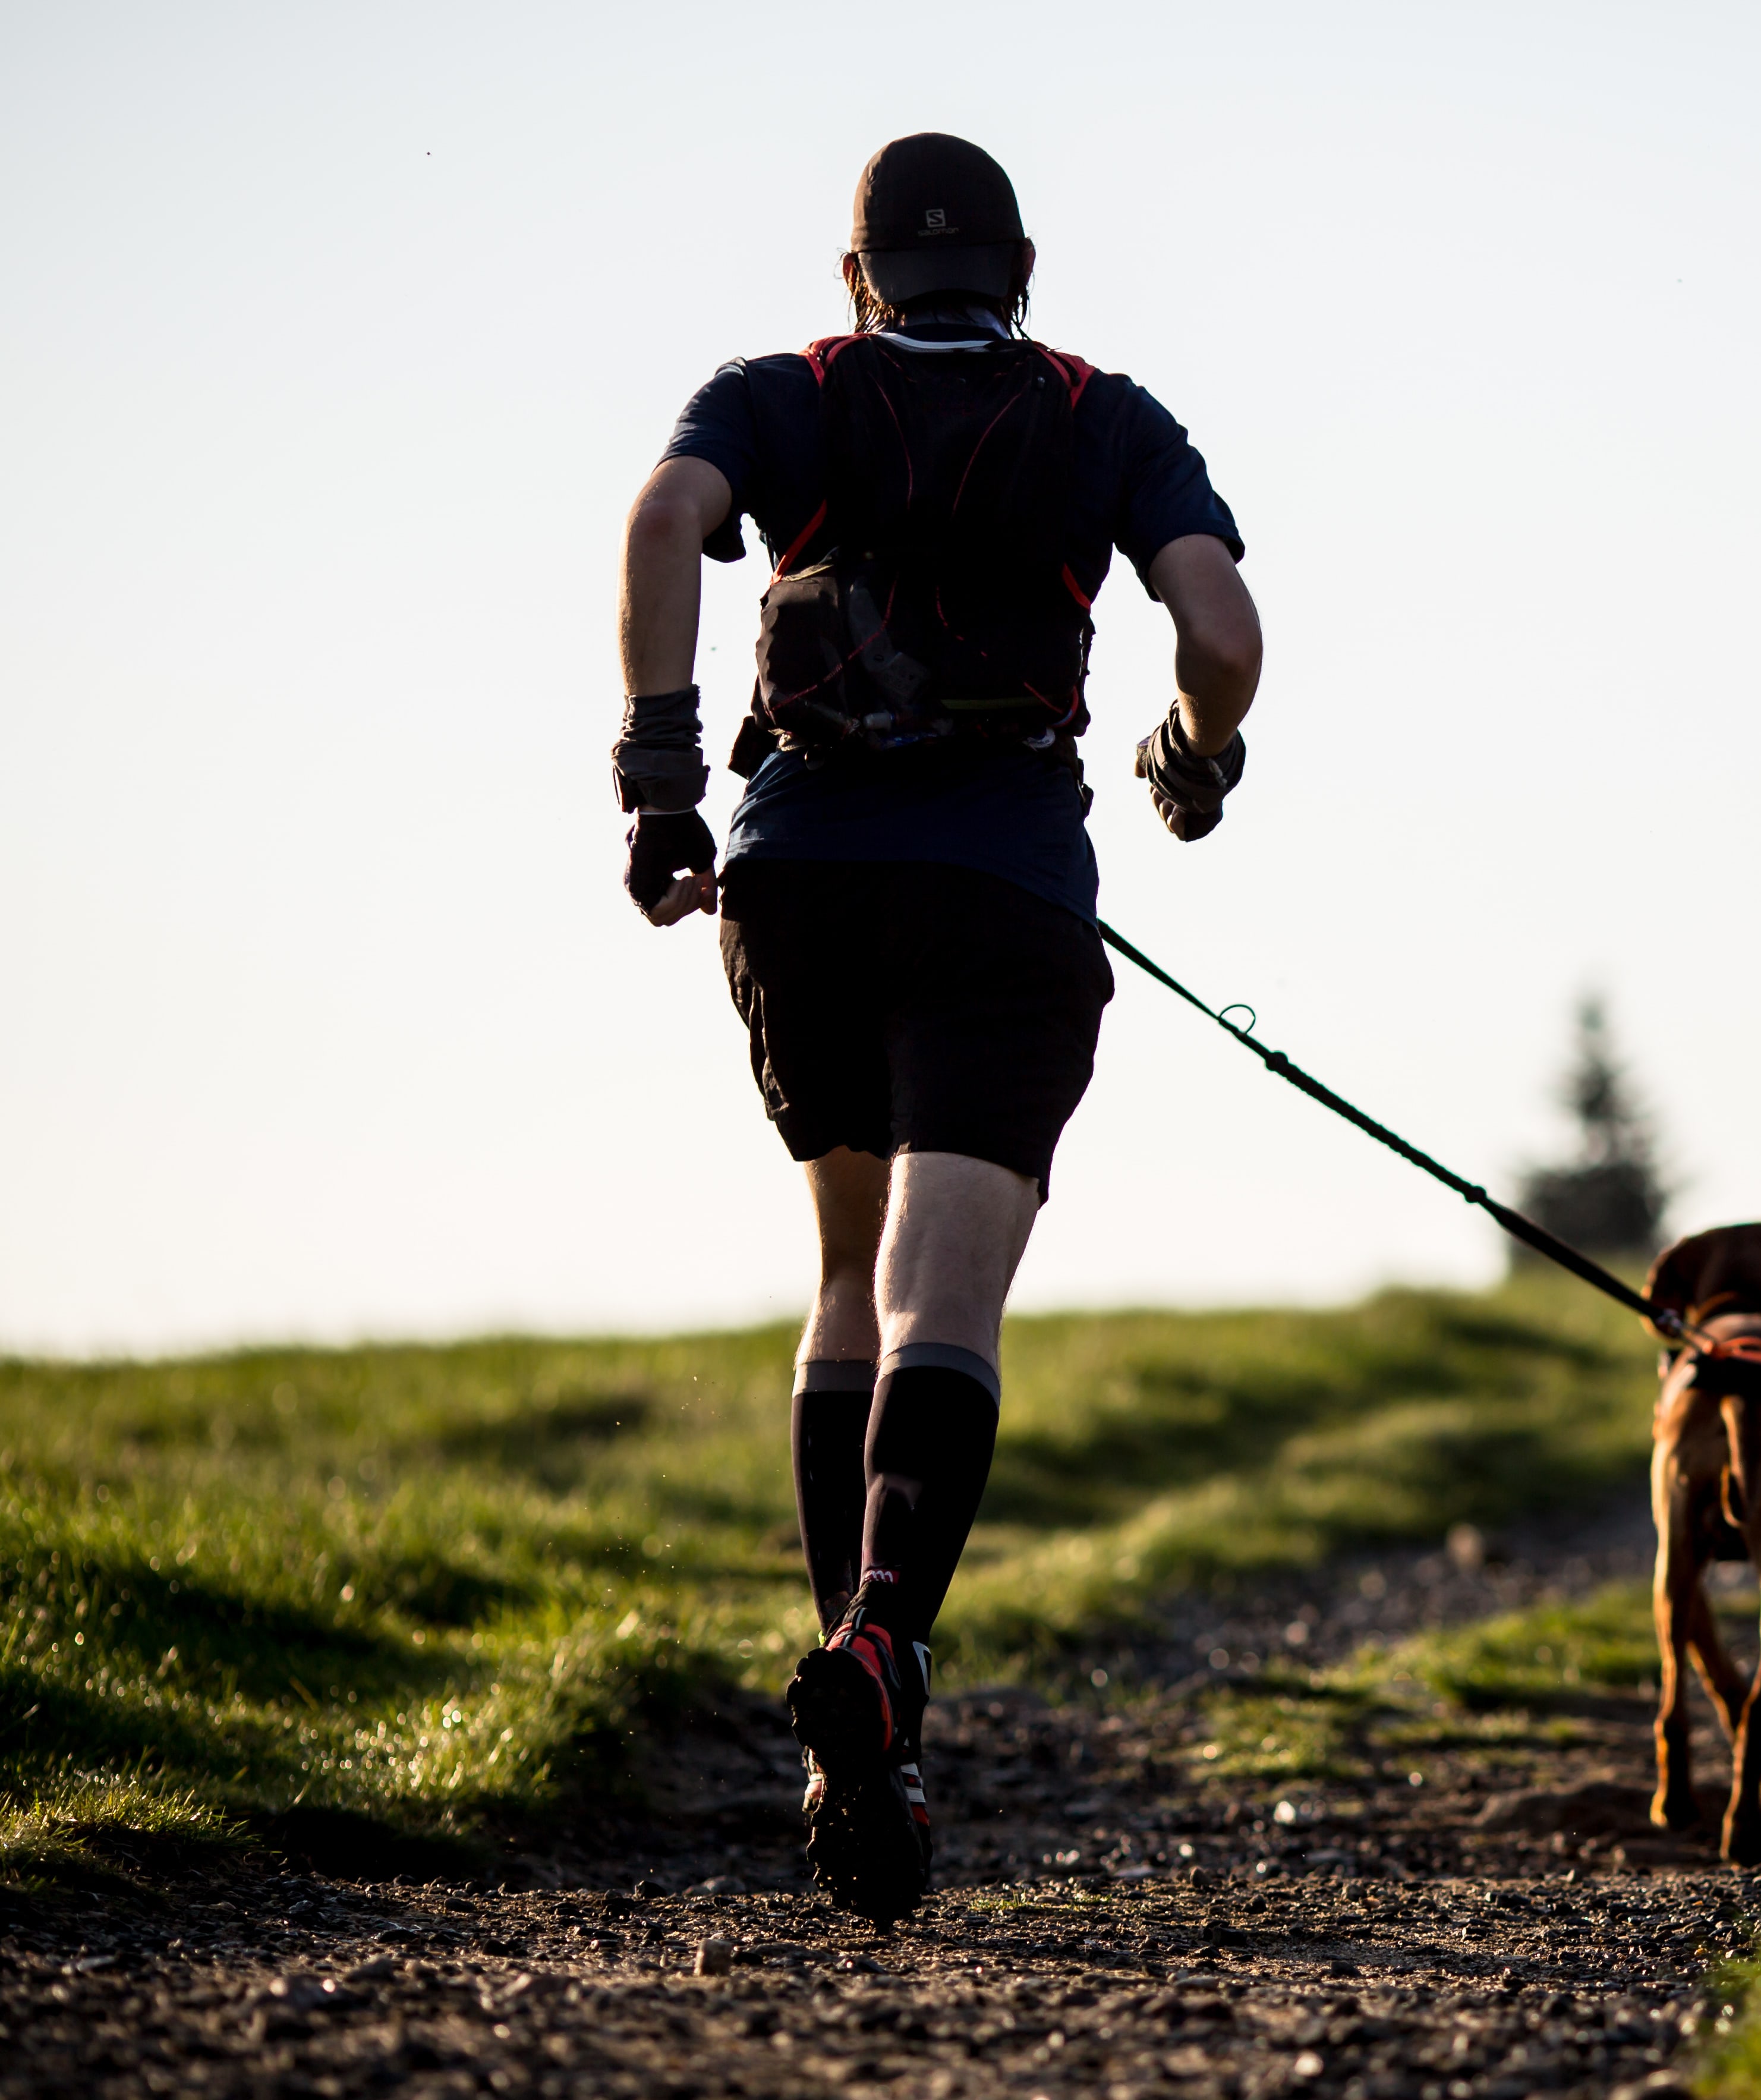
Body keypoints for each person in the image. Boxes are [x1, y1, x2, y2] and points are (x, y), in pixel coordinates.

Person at [609, 133, 1261, 1919]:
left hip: (801, 878)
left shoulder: (784, 395)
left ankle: (848, 1738)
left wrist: (661, 777)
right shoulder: (1102, 415)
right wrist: (1190, 763)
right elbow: (1218, 621)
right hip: (1005, 894)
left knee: (845, 1280)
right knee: (942, 1298)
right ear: (1025, 267)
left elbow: (666, 523)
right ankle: (886, 1642)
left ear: (857, 274)